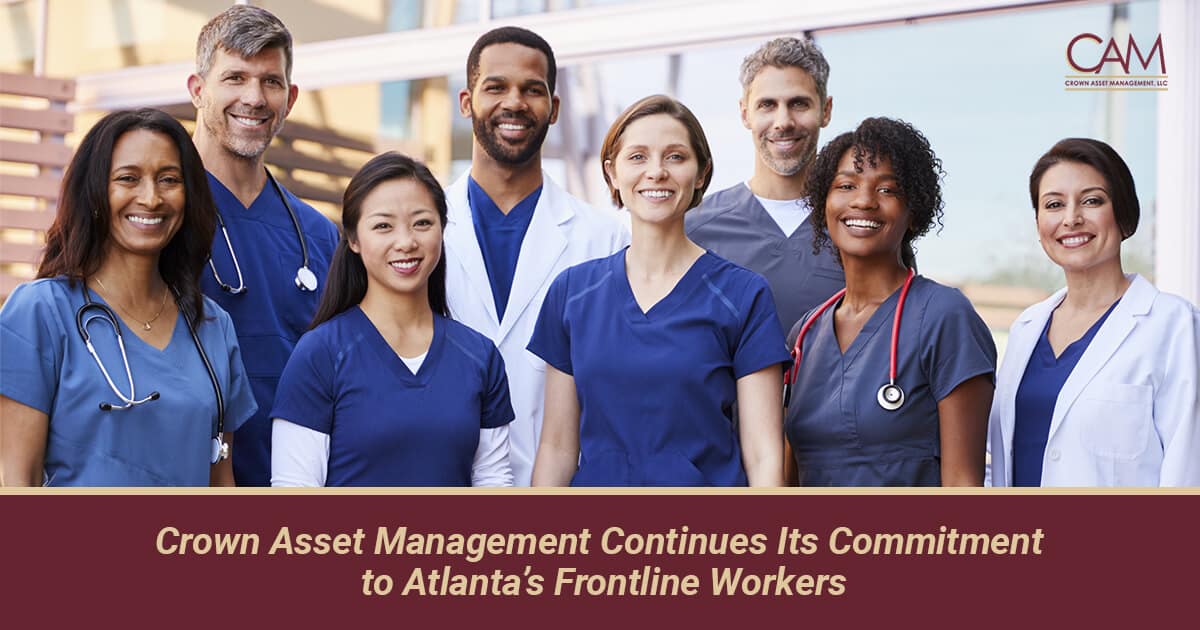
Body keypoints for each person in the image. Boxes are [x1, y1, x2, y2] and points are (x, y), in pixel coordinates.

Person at [529, 95, 789, 487]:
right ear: (612, 173)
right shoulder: (572, 294)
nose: (656, 172)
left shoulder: (743, 295)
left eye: (675, 157)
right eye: (637, 157)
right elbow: (557, 449)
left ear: (700, 173)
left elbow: (764, 453)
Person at [0, 109, 256, 486]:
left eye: (169, 179)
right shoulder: (40, 313)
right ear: (96, 192)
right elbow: (15, 482)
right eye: (128, 178)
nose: (151, 198)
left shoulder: (213, 327)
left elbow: (221, 483)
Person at [445, 26, 628, 486]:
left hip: (562, 504)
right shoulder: (420, 232)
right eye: (496, 87)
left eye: (533, 90)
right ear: (467, 102)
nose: (515, 103)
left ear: (555, 109)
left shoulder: (607, 239)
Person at [269, 153, 515, 486]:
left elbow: (493, 482)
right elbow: (294, 493)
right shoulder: (320, 354)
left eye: (422, 223)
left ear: (442, 229)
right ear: (354, 239)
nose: (406, 242)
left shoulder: (480, 356)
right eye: (383, 225)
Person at [784, 117, 995, 487]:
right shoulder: (804, 336)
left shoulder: (943, 317)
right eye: (846, 185)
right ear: (823, 205)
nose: (864, 200)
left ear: (914, 212)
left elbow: (964, 484)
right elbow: (786, 481)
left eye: (887, 190)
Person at [987, 138, 1200, 487]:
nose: (1071, 218)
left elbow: (1187, 471)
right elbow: (1002, 459)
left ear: (1123, 214)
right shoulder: (1026, 328)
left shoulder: (1174, 325)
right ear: (1039, 223)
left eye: (1092, 200)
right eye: (1054, 204)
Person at [188, 5, 340, 486]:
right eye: (235, 77)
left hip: (298, 489)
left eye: (270, 82)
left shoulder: (318, 234)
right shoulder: (157, 216)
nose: (254, 98)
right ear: (198, 90)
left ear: (290, 98)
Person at [686, 37, 843, 333]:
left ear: (826, 110)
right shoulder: (695, 231)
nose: (783, 121)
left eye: (798, 103)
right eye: (767, 105)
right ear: (745, 113)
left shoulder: (860, 224)